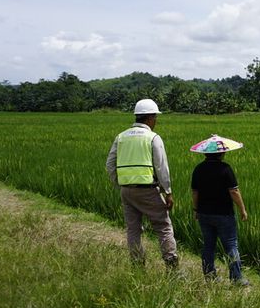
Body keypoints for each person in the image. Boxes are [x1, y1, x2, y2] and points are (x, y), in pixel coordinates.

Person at [105, 98, 179, 269]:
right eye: (155, 118)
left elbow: (110, 164)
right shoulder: (152, 137)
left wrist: (120, 183)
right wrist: (167, 191)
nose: (156, 122)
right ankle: (171, 265)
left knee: (133, 229)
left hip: (126, 191)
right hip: (148, 190)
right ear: (150, 117)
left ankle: (137, 266)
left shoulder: (121, 137)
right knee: (163, 226)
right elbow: (161, 167)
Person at [189, 134, 250, 286]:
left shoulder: (198, 169)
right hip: (224, 214)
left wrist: (195, 209)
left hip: (204, 213)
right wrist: (242, 209)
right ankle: (236, 278)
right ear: (221, 153)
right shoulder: (225, 169)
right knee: (231, 245)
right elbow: (234, 191)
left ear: (205, 153)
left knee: (208, 245)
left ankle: (209, 276)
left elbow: (195, 192)